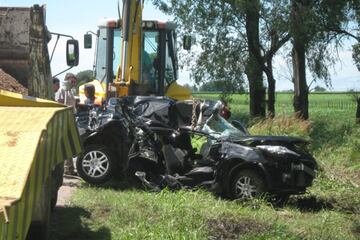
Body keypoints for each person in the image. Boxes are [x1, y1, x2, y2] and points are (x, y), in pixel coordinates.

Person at [54, 73, 77, 175]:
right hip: (63, 120)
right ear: (66, 80)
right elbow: (59, 103)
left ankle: (69, 168)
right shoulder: (62, 90)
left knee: (69, 145)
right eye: (72, 81)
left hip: (70, 119)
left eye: (74, 82)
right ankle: (66, 168)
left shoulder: (71, 91)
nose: (73, 83)